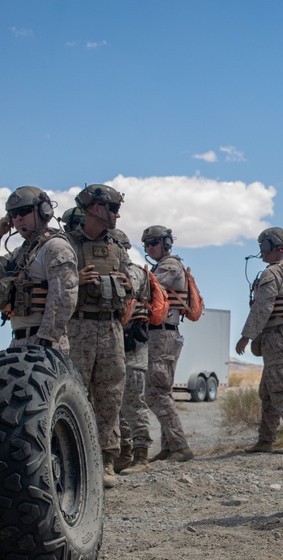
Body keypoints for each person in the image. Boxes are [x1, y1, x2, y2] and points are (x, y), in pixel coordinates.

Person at [65, 184, 132, 489]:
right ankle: (68, 459)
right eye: (112, 208)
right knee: (71, 395)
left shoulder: (118, 247)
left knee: (110, 398)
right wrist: (73, 279)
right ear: (93, 208)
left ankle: (106, 461)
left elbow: (137, 280)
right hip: (76, 327)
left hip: (110, 328)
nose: (117, 215)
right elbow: (44, 279)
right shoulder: (67, 244)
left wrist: (128, 282)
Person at [235, 228, 283, 454]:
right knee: (268, 391)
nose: (260, 251)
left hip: (276, 338)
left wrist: (245, 336)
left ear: (270, 245)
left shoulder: (272, 274)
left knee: (281, 388)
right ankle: (265, 439)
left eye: (262, 246)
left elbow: (263, 307)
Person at [0, 186, 78, 351]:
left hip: (45, 343)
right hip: (19, 341)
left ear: (43, 211)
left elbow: (63, 297)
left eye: (24, 211)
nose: (18, 218)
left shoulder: (56, 248)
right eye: (13, 214)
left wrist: (45, 341)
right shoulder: (21, 253)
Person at [141, 225, 194, 463]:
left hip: (162, 335)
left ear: (165, 243)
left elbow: (145, 286)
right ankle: (169, 447)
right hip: (160, 334)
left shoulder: (170, 266)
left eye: (153, 243)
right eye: (146, 244)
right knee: (163, 392)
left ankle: (180, 447)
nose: (149, 248)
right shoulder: (161, 266)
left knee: (155, 393)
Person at [109, 228, 155, 475]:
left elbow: (132, 285)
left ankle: (142, 455)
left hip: (133, 349)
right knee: (116, 405)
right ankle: (123, 454)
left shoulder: (134, 271)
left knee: (134, 403)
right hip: (116, 348)